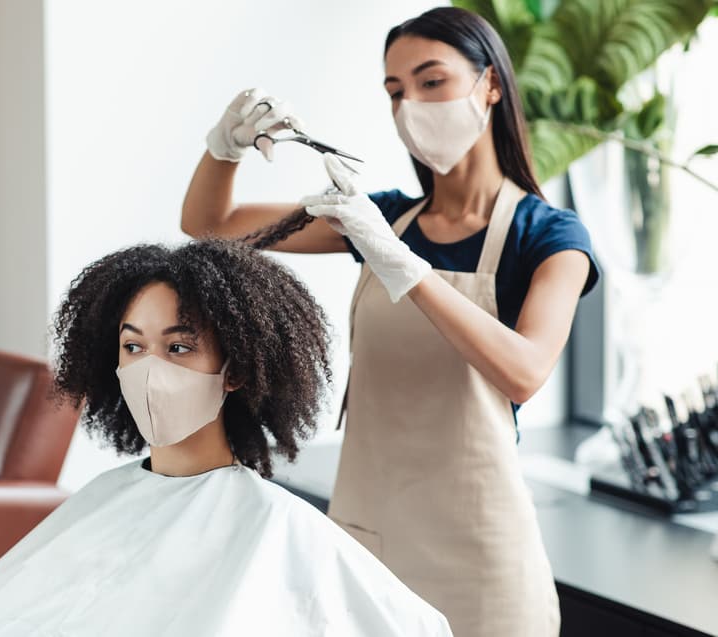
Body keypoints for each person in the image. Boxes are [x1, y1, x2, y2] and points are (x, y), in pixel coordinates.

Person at [181, 7, 601, 637]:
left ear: (491, 85)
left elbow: (524, 371)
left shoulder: (550, 236)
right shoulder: (379, 219)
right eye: (395, 91)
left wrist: (404, 266)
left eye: (432, 82)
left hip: (481, 559)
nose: (412, 105)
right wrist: (224, 148)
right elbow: (211, 224)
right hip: (367, 536)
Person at [0, 240, 452, 636]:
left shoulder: (274, 525)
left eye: (178, 348)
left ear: (237, 369)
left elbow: (414, 626)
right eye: (133, 347)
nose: (150, 370)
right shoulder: (105, 496)